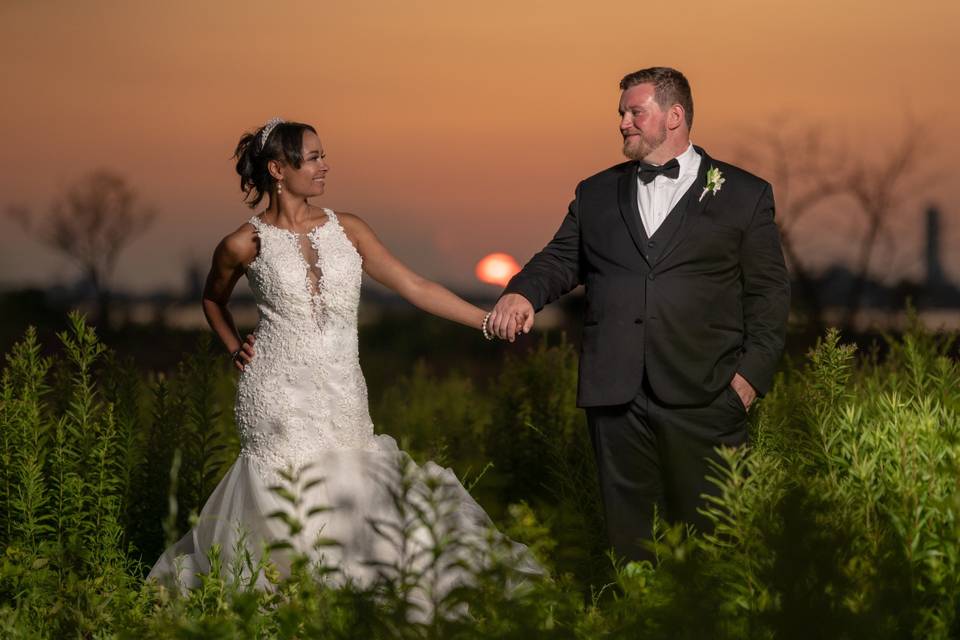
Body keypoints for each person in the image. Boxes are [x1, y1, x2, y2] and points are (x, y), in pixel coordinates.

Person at [148, 118, 539, 604]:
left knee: (355, 485)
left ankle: (352, 603)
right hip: (275, 393)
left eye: (321, 155)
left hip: (342, 389)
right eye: (312, 158)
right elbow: (211, 300)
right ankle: (291, 605)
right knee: (291, 500)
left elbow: (413, 286)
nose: (324, 165)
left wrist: (484, 321)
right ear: (277, 169)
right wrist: (233, 346)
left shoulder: (348, 229)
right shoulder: (241, 243)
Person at [488, 67, 790, 561]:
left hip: (707, 393)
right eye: (621, 114)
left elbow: (770, 294)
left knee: (716, 538)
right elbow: (562, 258)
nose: (624, 123)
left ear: (674, 116)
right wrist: (521, 292)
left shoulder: (743, 194)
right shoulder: (596, 192)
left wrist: (748, 380)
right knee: (629, 542)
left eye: (635, 112)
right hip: (616, 397)